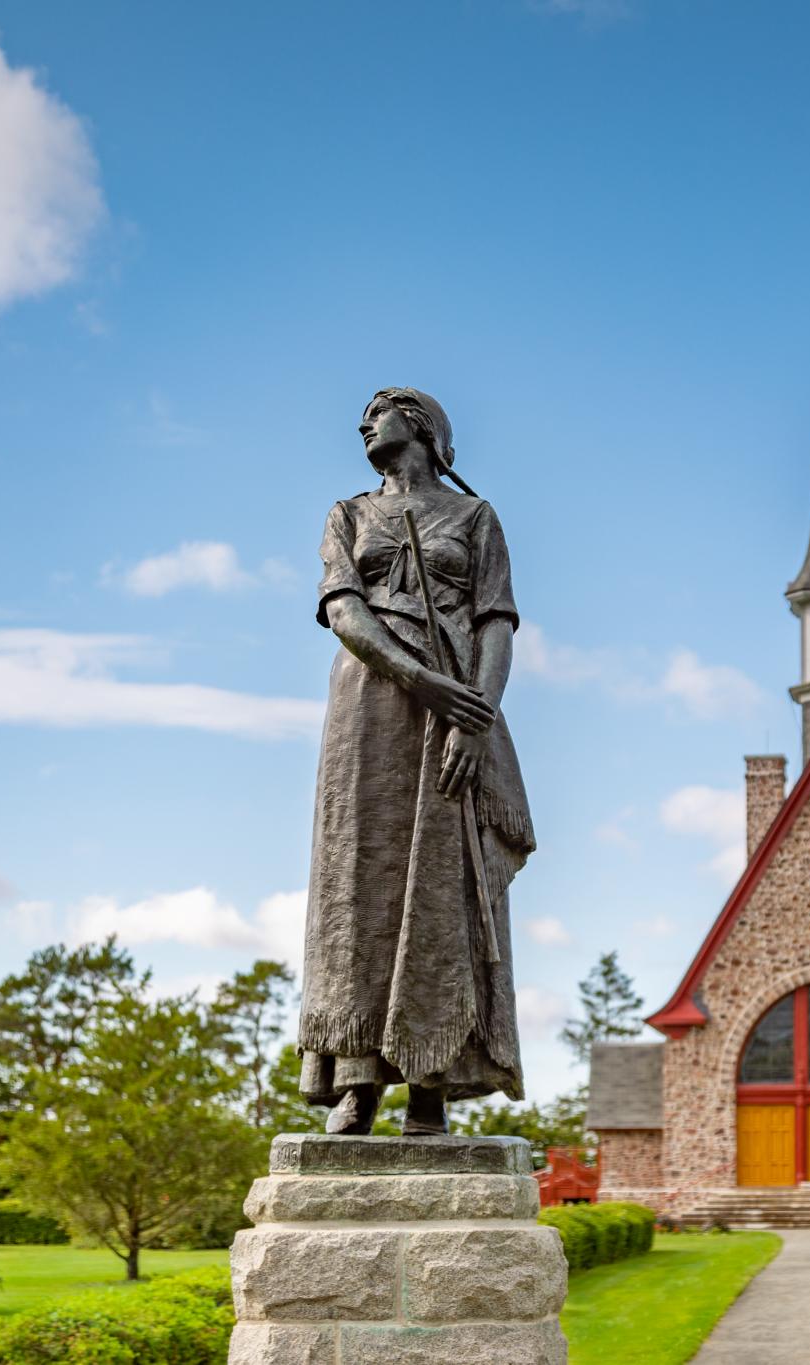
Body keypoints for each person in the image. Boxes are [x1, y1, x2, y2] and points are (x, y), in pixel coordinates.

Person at [297, 387, 533, 1135]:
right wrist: (425, 682)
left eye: (379, 410)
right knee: (357, 882)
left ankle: (431, 1083)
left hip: (459, 706)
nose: (363, 422)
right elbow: (345, 611)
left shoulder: (474, 518)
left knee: (442, 885)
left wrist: (474, 715)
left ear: (422, 426)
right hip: (370, 705)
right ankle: (358, 1080)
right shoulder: (348, 514)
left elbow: (496, 623)